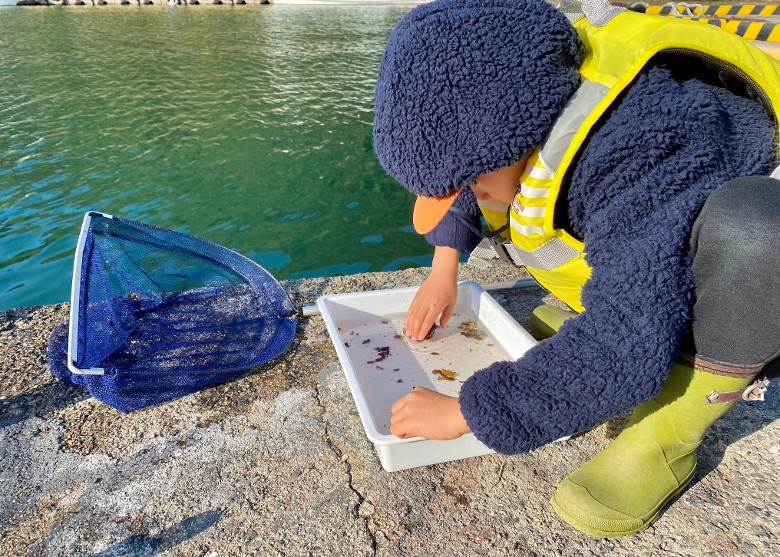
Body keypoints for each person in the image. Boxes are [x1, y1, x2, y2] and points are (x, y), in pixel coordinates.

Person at [372, 0, 780, 538]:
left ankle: (669, 430)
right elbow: (481, 185)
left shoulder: (645, 151)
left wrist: (467, 414)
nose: (469, 194)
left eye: (468, 179)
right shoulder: (539, 99)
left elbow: (628, 339)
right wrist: (442, 266)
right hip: (649, 248)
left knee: (755, 231)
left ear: (513, 133)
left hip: (755, 276)